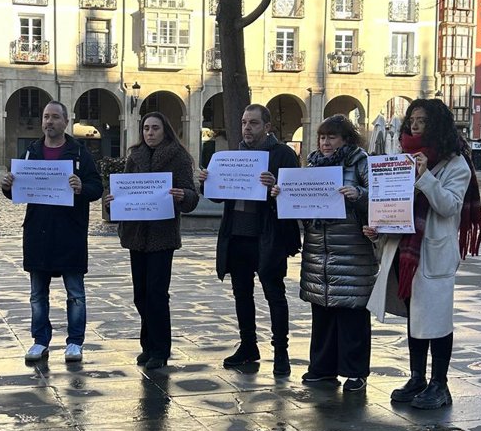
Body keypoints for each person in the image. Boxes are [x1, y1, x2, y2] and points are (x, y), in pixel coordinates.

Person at [364, 98, 481, 409]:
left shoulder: (456, 164)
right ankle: (417, 377)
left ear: (437, 125)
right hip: (404, 250)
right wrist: (379, 228)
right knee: (414, 315)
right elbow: (394, 206)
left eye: (422, 120)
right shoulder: (402, 158)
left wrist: (425, 177)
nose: (414, 125)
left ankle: (439, 384)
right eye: (412, 119)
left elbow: (449, 206)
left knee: (436, 319)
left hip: (433, 252)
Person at [2, 101, 103, 365]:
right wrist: (7, 186)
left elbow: (96, 187)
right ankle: (40, 340)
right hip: (39, 231)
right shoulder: (31, 152)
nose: (49, 122)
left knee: (75, 293)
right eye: (46, 117)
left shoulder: (79, 153)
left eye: (55, 117)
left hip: (70, 231)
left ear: (66, 122)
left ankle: (74, 342)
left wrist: (82, 187)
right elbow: (18, 191)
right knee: (37, 293)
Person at [282, 115, 376, 389]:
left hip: (352, 252)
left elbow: (379, 197)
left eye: (331, 137)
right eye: (322, 137)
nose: (325, 142)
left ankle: (355, 371)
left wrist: (358, 194)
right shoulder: (313, 164)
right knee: (321, 311)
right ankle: (322, 368)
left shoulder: (360, 162)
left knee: (352, 312)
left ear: (346, 139)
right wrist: (284, 193)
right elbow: (301, 205)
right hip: (318, 252)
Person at [104, 112, 200, 371]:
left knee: (157, 294)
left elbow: (192, 195)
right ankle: (147, 345)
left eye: (155, 128)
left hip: (162, 235)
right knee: (140, 295)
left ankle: (160, 349)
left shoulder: (178, 156)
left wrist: (183, 195)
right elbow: (122, 192)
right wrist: (112, 203)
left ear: (165, 130)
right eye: (146, 128)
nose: (149, 133)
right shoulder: (134, 156)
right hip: (136, 234)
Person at [210, 103, 301, 376]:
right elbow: (217, 196)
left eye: (254, 123)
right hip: (237, 234)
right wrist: (209, 181)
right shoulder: (234, 156)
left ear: (267, 127)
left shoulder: (283, 154)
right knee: (242, 294)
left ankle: (281, 351)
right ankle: (249, 345)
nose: (247, 128)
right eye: (244, 122)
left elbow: (292, 194)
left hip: (268, 235)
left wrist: (275, 186)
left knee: (275, 294)